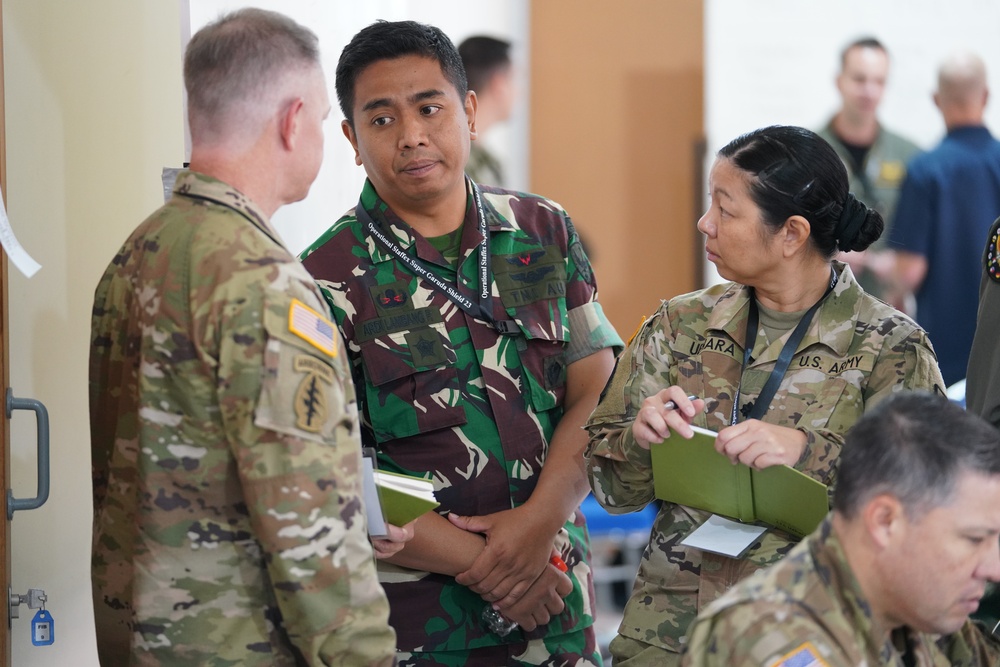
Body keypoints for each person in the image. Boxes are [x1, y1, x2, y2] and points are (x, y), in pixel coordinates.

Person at [299, 19, 622, 667]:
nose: (413, 134)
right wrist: (500, 567)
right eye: (382, 118)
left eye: (430, 107)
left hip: (559, 602)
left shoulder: (543, 231)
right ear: (352, 140)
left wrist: (536, 526)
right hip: (421, 629)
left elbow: (598, 391)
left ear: (470, 112)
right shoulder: (324, 278)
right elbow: (334, 477)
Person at [89, 9, 402, 665]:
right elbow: (307, 525)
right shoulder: (265, 284)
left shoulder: (135, 254)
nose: (318, 136)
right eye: (320, 120)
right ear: (291, 122)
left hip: (139, 639)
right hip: (236, 645)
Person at [584, 125, 944, 666]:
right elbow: (612, 491)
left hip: (816, 637)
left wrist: (805, 448)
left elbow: (927, 499)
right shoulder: (679, 323)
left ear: (792, 234)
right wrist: (640, 440)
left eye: (726, 211)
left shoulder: (890, 347)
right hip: (671, 637)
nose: (704, 223)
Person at [682, 392, 1000, 666]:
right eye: (974, 539)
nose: (994, 569)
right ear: (885, 522)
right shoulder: (766, 639)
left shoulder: (925, 607)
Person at [887, 52, 1000, 388]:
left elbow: (909, 270)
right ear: (986, 96)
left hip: (948, 353)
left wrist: (894, 293)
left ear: (937, 100)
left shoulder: (925, 170)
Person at [817, 37, 921, 304]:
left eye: (879, 81)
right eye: (860, 79)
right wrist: (827, 252)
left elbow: (921, 239)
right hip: (820, 308)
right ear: (839, 81)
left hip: (886, 314)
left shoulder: (911, 157)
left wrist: (900, 264)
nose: (869, 91)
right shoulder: (809, 153)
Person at [458, 35, 515, 187]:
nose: (518, 92)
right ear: (499, 84)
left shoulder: (489, 161)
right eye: (514, 80)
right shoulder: (458, 161)